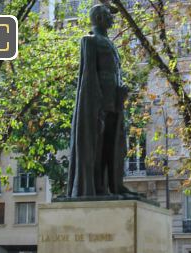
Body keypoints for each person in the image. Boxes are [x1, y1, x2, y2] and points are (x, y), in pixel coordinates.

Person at [67, 4, 130, 197]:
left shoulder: (109, 43)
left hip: (114, 101)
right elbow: (89, 76)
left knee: (112, 145)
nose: (112, 19)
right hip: (99, 103)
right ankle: (95, 188)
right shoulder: (90, 41)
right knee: (97, 146)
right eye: (109, 16)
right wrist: (97, 103)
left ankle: (112, 186)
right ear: (100, 18)